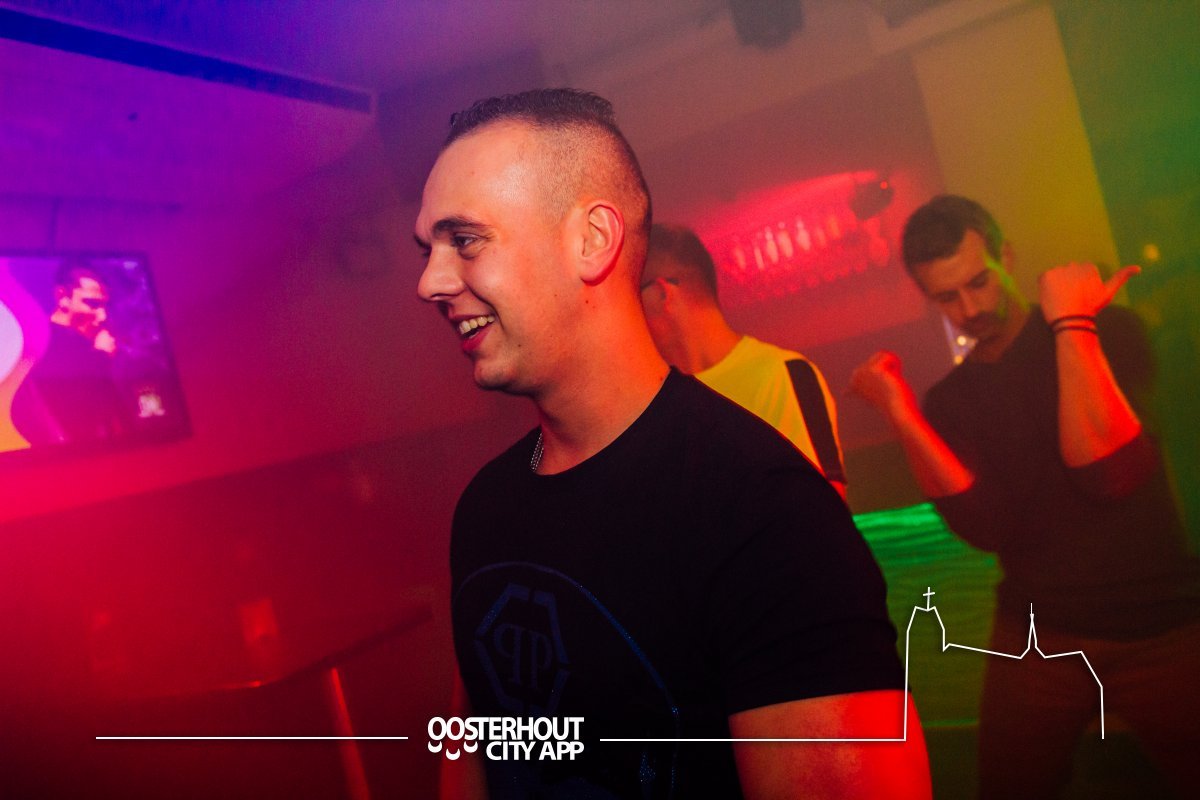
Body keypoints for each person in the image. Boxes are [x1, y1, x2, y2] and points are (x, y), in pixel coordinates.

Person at [415, 88, 930, 799]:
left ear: (592, 240)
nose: (430, 282)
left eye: (466, 240)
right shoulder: (486, 506)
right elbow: (476, 742)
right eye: (429, 249)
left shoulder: (763, 510)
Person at [850, 195, 1200, 798]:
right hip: (1038, 633)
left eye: (979, 282)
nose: (971, 309)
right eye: (947, 297)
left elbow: (1110, 474)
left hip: (1158, 622)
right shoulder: (953, 400)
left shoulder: (1108, 329)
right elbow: (984, 528)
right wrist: (901, 414)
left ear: (1006, 256)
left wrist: (1071, 326)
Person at [640, 223, 848, 500]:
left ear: (661, 294)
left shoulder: (783, 373)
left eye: (631, 297)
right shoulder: (650, 404)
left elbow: (822, 512)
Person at [11, 263, 125, 445]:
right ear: (62, 297)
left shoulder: (86, 344)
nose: (102, 316)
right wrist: (101, 357)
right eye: (92, 303)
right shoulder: (40, 344)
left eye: (104, 306)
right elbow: (77, 413)